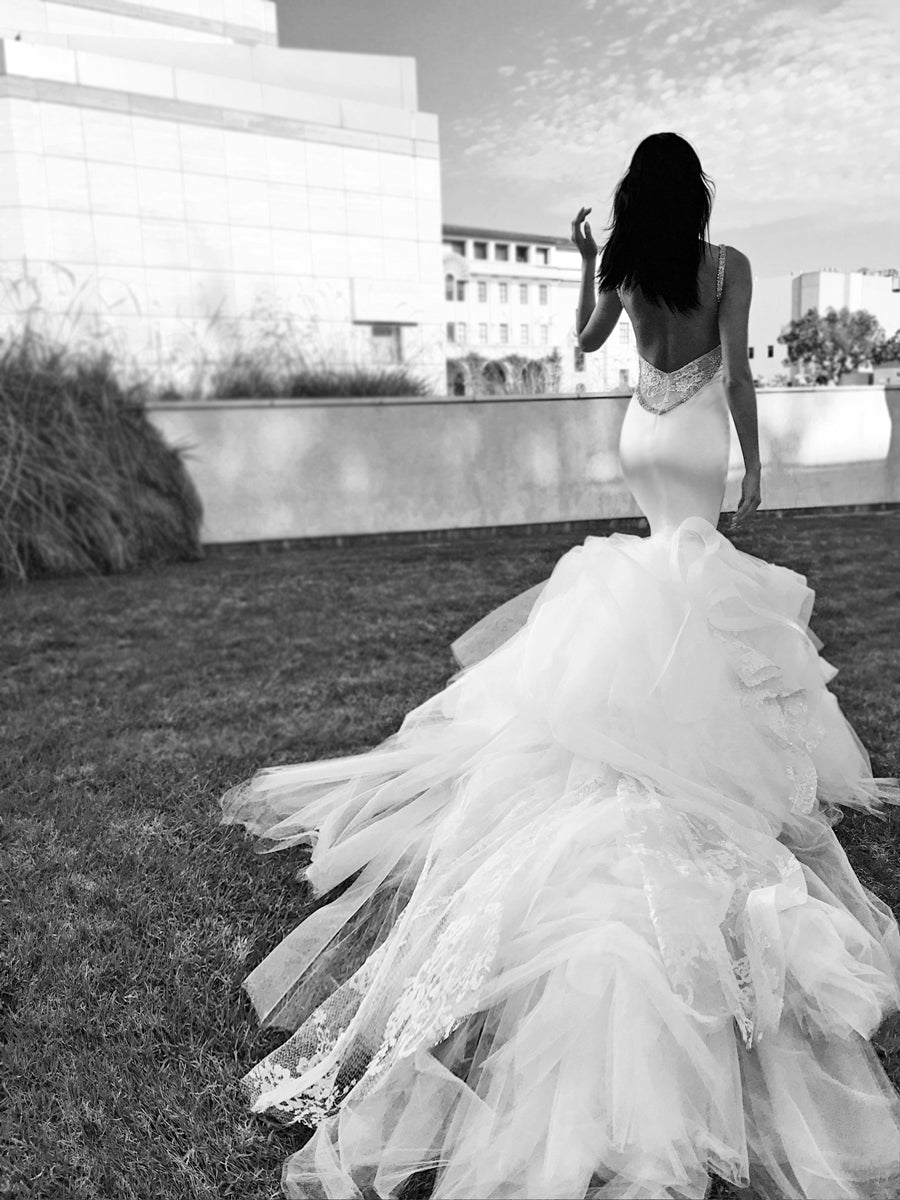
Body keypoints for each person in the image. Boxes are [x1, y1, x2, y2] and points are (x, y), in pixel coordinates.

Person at [220, 133, 900, 1200]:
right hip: (698, 433)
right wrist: (756, 460)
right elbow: (743, 366)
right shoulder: (728, 266)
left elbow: (590, 343)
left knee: (652, 560)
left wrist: (589, 258)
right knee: (696, 562)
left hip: (643, 427)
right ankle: (692, 736)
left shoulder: (625, 268)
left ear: (634, 200)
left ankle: (627, 718)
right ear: (699, 194)